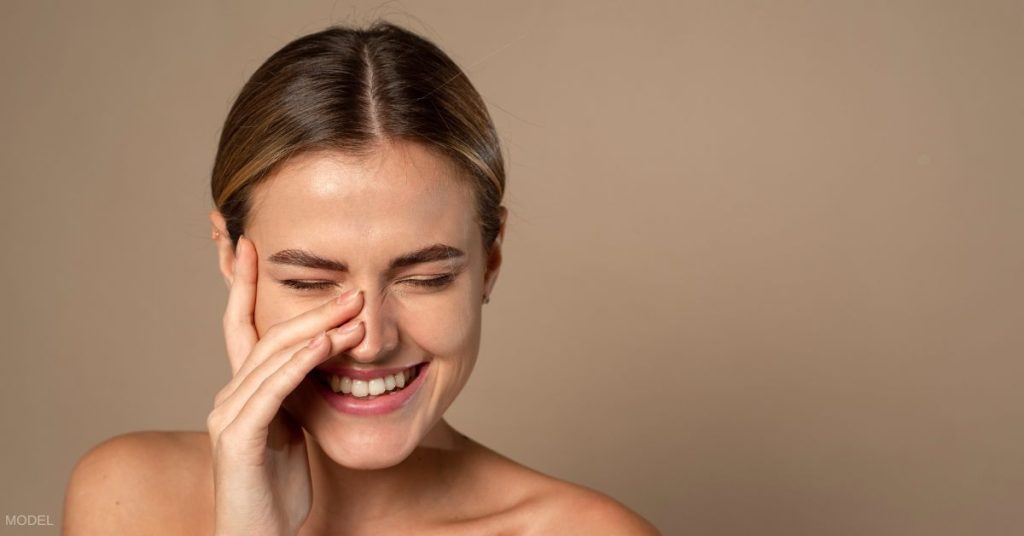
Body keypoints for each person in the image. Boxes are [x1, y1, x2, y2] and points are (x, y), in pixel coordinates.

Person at [62, 20, 660, 535]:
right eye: (308, 282)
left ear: (490, 260)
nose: (370, 341)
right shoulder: (127, 500)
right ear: (230, 258)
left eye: (426, 278)